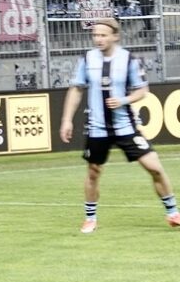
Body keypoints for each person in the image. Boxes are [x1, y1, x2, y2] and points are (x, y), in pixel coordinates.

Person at [58, 18, 180, 233]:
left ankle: (172, 213)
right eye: (95, 35)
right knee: (94, 171)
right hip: (97, 128)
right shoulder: (87, 59)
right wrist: (67, 120)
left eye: (103, 35)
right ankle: (90, 218)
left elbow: (142, 90)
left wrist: (123, 100)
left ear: (115, 36)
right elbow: (76, 89)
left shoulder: (129, 59)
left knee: (154, 167)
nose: (98, 39)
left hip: (125, 126)